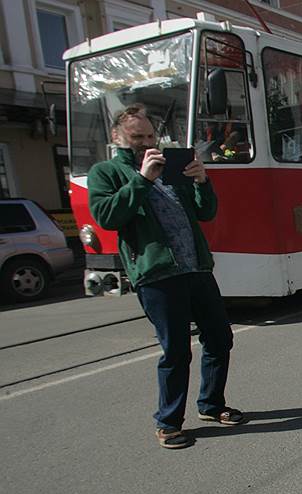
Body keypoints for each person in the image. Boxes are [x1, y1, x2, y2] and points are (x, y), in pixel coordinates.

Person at [88, 105, 244, 449]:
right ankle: (168, 421)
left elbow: (206, 212)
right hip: (157, 275)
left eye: (148, 136)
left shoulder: (172, 167)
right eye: (136, 137)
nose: (144, 143)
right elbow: (106, 216)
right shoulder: (106, 172)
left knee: (220, 338)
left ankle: (212, 405)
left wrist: (203, 181)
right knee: (176, 350)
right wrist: (142, 179)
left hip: (197, 268)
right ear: (116, 138)